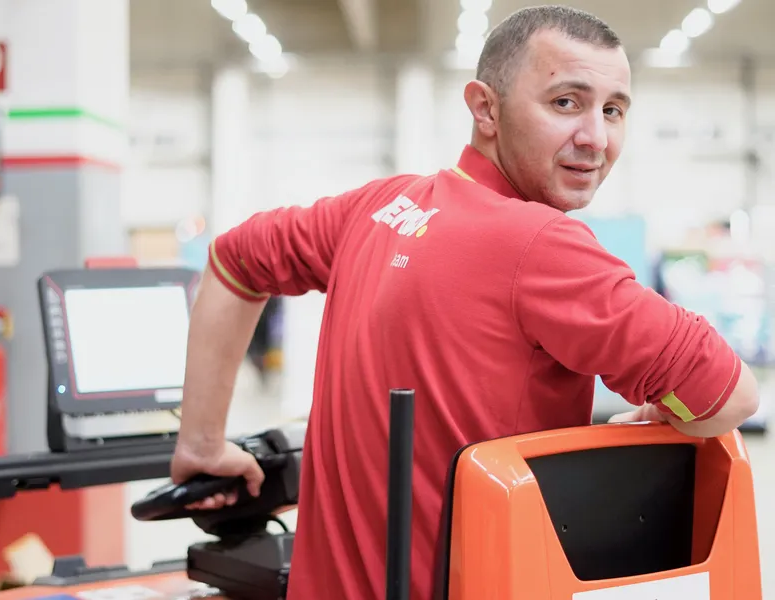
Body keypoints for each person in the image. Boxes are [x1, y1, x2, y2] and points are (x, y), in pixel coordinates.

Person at [171, 5, 760, 600]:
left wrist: (201, 445)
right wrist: (673, 412)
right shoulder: (541, 245)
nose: (595, 137)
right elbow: (728, 396)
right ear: (485, 109)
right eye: (565, 103)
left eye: (613, 110)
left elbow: (231, 261)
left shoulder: (376, 208)